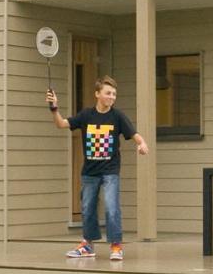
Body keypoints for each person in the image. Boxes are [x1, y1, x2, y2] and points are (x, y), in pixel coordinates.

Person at [46, 77, 148, 261]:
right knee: (87, 208)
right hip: (89, 172)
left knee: (111, 206)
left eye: (114, 94)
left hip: (110, 170)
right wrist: (54, 108)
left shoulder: (117, 116)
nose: (112, 97)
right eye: (108, 93)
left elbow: (134, 134)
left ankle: (116, 245)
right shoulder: (86, 115)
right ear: (97, 94)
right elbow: (61, 124)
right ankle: (88, 245)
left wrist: (142, 144)